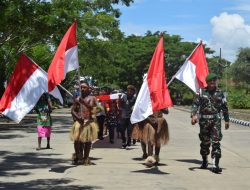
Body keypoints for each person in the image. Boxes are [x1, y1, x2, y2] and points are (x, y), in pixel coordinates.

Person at [191, 73, 229, 173]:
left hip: (215, 121)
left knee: (216, 142)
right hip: (204, 122)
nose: (212, 83)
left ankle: (215, 165)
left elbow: (225, 108)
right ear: (207, 82)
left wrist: (227, 120)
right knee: (205, 143)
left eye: (214, 81)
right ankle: (204, 161)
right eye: (210, 81)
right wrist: (193, 115)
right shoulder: (200, 92)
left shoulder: (221, 93)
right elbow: (195, 104)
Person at [70, 81, 98, 165]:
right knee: (77, 140)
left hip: (88, 122)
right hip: (79, 122)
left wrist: (83, 102)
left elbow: (93, 109)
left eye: (84, 87)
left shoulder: (93, 98)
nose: (82, 89)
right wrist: (78, 118)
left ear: (88, 88)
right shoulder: (77, 98)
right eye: (81, 87)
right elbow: (73, 111)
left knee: (88, 141)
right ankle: (78, 156)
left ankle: (86, 158)